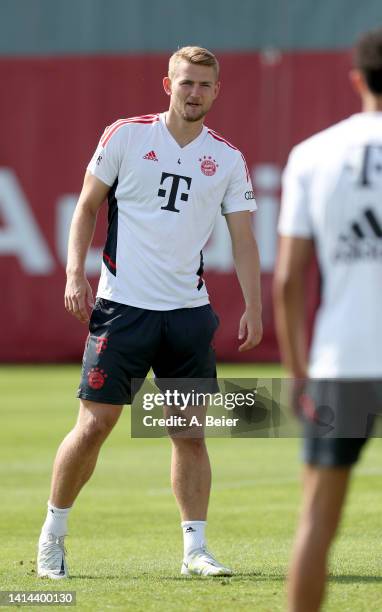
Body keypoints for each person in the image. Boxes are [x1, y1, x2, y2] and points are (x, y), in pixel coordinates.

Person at [37, 46, 263, 579]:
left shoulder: (227, 158)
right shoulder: (127, 136)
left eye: (204, 85)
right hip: (123, 309)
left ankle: (195, 551)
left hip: (187, 315)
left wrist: (254, 304)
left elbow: (244, 238)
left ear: (216, 91)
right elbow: (87, 206)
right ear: (167, 84)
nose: (194, 93)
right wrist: (75, 273)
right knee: (95, 425)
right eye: (185, 83)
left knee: (188, 433)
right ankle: (53, 534)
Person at [273, 27, 382, 612]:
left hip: (343, 361)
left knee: (317, 518)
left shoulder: (314, 154)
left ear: (358, 79)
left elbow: (289, 279)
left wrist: (297, 372)